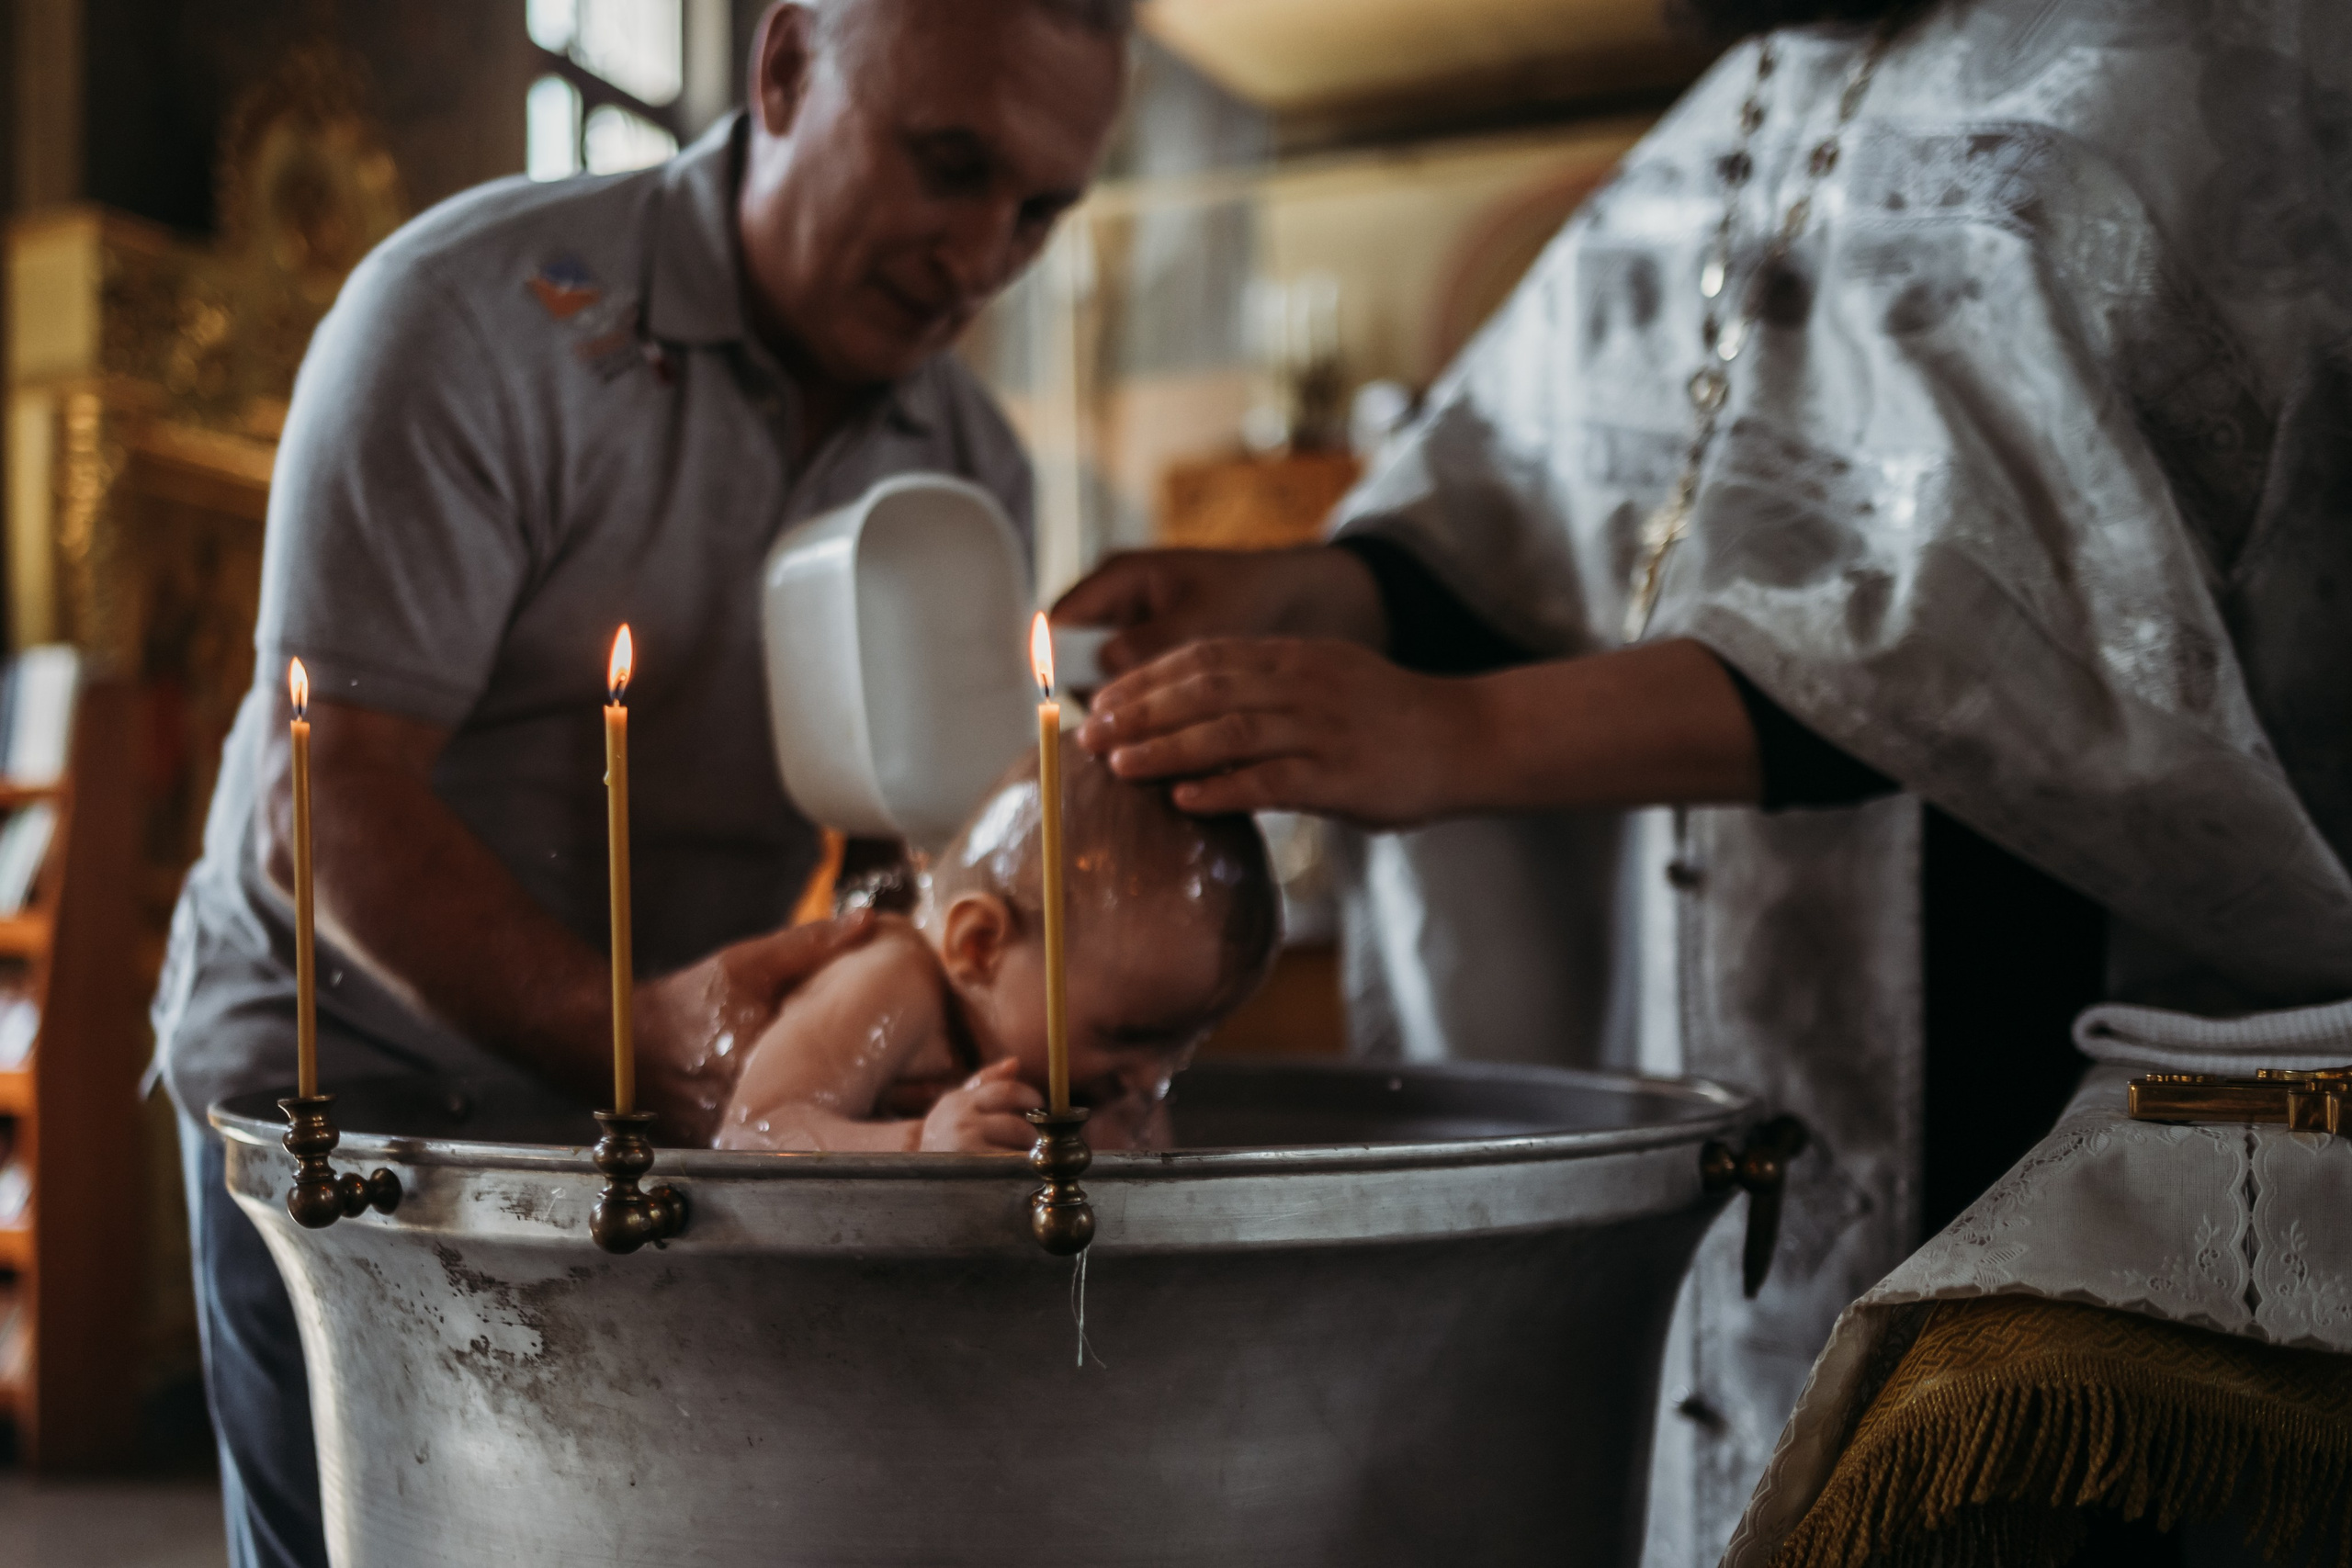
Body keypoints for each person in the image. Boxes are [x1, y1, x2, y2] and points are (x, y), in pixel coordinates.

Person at [1053, 0, 2352, 1560]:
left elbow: (2031, 632)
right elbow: (1543, 497)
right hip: (1745, 1046)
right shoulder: (1757, 85)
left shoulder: (2218, 49)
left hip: (2085, 1090)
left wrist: (1466, 739)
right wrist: (1323, 594)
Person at [148, 4, 1130, 1565]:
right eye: (950, 165)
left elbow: (912, 858)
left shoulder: (968, 464)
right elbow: (319, 805)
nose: (982, 255)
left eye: (1041, 211)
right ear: (786, 68)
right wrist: (638, 1036)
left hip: (662, 1088)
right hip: (351, 1082)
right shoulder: (468, 316)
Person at [718, 739, 1280, 1154]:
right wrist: (919, 1145)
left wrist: (1119, 1145)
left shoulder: (1084, 1056)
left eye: (1181, 1045)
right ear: (981, 947)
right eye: (1125, 1037)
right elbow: (752, 1135)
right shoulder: (891, 979)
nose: (1150, 1078)